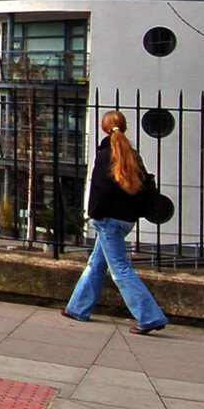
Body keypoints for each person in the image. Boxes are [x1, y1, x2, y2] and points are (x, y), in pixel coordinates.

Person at [62, 110, 168, 334]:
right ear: (124, 127)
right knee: (96, 263)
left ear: (104, 128)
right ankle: (77, 308)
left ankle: (149, 316)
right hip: (127, 220)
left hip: (108, 219)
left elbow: (100, 189)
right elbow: (142, 187)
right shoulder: (132, 155)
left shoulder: (105, 156)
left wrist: (93, 213)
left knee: (120, 269)